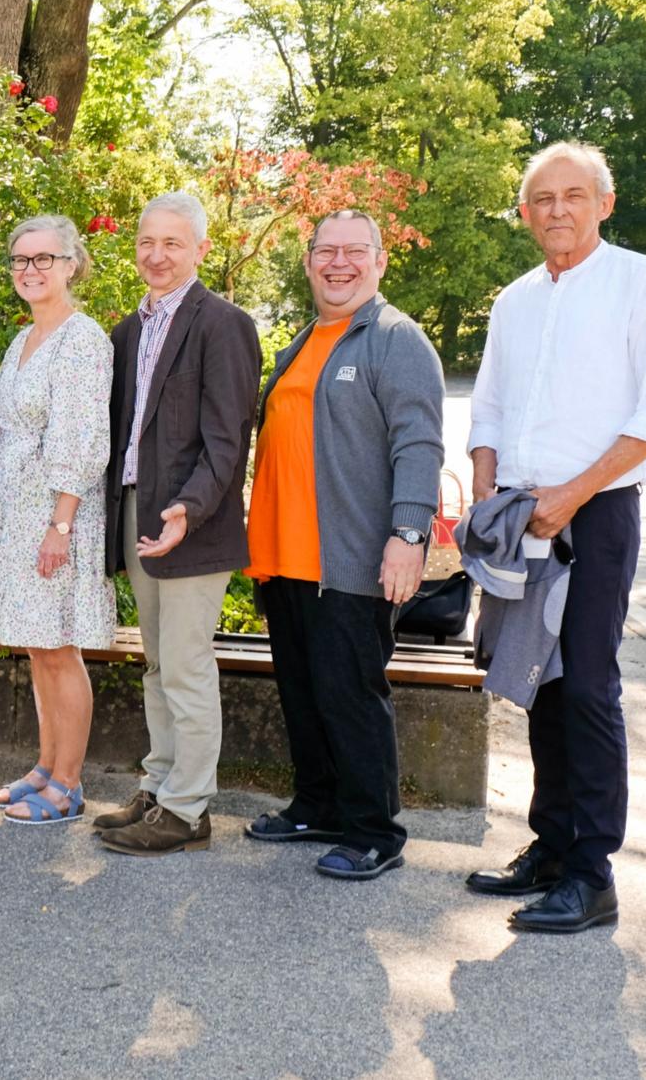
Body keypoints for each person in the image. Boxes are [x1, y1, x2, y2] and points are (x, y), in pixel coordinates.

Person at [464, 142, 646, 933]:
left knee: (588, 684)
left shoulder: (643, 282)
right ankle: (550, 845)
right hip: (520, 514)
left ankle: (592, 873)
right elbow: (487, 408)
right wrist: (488, 490)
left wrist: (572, 493)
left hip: (596, 512)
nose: (556, 209)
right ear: (526, 213)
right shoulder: (515, 300)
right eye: (541, 199)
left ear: (604, 200)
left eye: (572, 194)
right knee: (539, 681)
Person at [244, 209, 445, 880]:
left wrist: (408, 534)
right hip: (284, 558)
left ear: (380, 261)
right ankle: (318, 803)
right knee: (303, 691)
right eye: (324, 251)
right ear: (308, 262)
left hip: (351, 560)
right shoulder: (306, 339)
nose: (338, 263)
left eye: (353, 251)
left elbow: (418, 444)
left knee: (350, 693)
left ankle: (374, 830)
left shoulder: (395, 339)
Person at [96, 191, 261, 856]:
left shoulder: (222, 323)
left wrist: (187, 510)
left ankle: (188, 807)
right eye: (146, 241)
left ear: (199, 248)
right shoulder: (128, 330)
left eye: (171, 243)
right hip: (140, 509)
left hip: (193, 519)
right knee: (156, 662)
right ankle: (160, 786)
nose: (156, 255)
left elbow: (228, 439)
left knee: (187, 665)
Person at [0, 218, 115, 822]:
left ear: (71, 264)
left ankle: (70, 784)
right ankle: (46, 765)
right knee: (36, 647)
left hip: (57, 512)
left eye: (44, 259)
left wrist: (59, 525)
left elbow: (84, 440)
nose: (30, 270)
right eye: (20, 260)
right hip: (14, 509)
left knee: (59, 649)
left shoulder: (82, 339)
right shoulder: (22, 338)